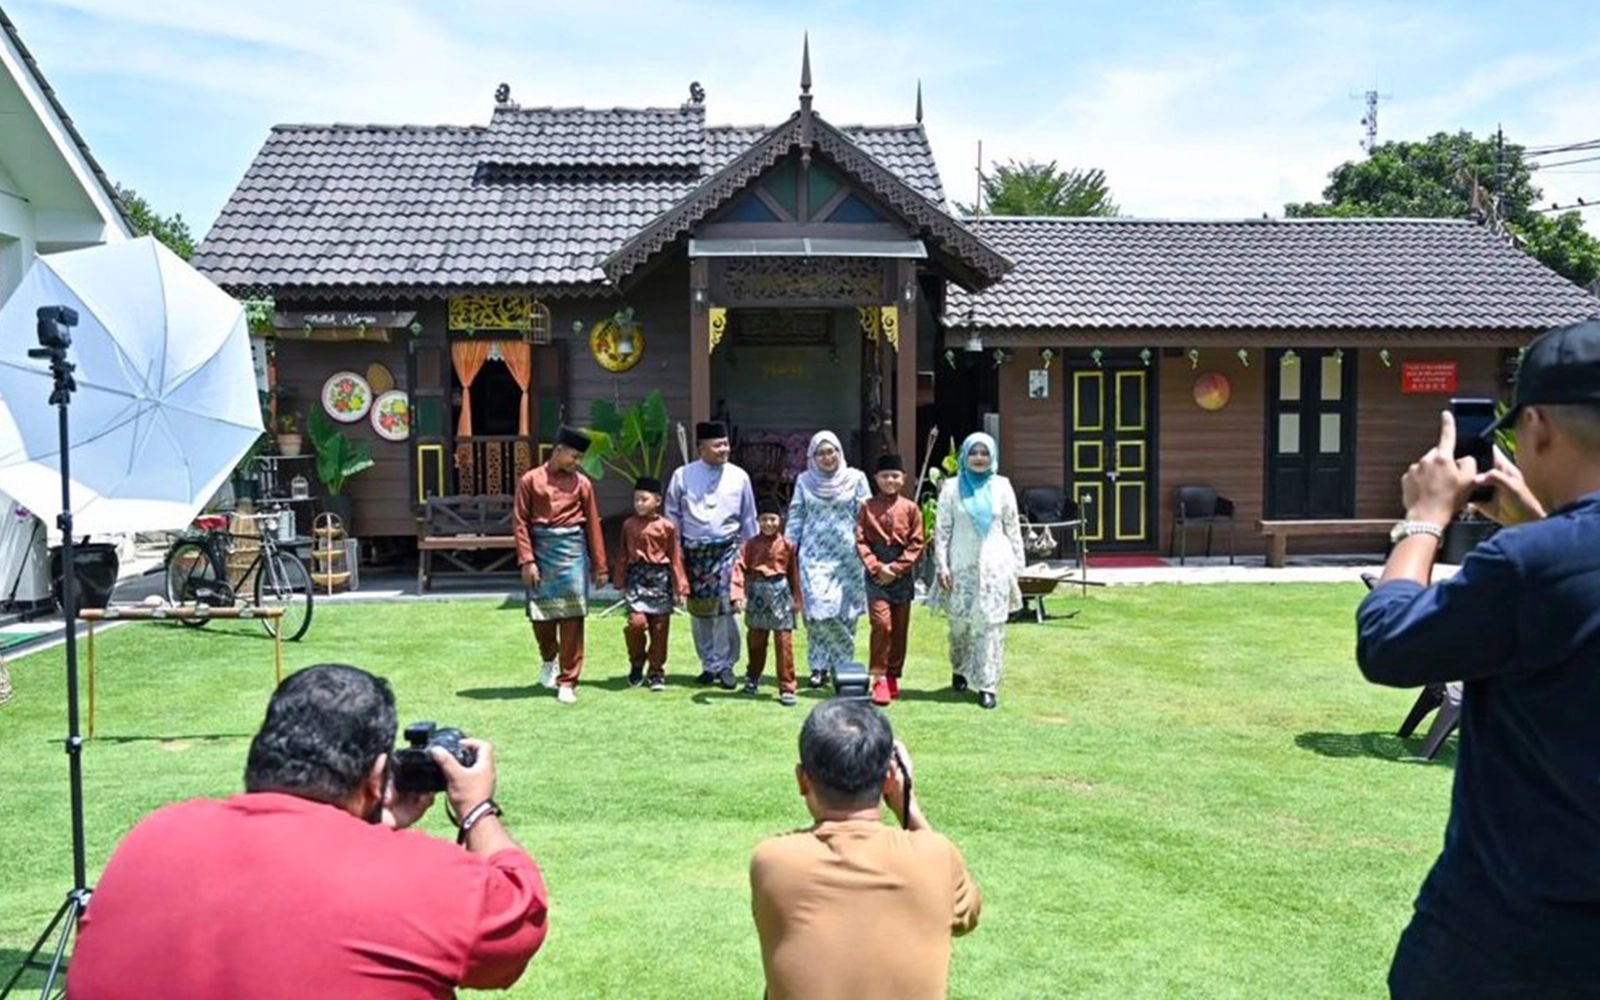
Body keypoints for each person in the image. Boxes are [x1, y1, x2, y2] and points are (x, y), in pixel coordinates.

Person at [1357, 317, 1600, 999]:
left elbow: (1389, 640)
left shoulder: (1530, 566)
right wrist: (1545, 526)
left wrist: (1423, 521)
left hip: (1511, 945)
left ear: (1540, 427)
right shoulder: (1547, 556)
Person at [68, 663, 548, 999]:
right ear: (379, 778)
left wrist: (368, 824)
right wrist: (477, 810)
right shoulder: (416, 875)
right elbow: (518, 926)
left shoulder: (153, 836)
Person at [750, 698, 981, 1000]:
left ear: (802, 779)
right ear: (889, 778)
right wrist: (906, 803)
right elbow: (967, 916)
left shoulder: (773, 861)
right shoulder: (935, 855)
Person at [515, 425, 608, 705]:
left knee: (573, 618)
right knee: (541, 617)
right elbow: (520, 522)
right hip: (541, 552)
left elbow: (593, 524)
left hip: (573, 552)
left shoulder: (583, 484)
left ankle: (568, 680)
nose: (577, 463)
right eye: (574, 456)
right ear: (559, 450)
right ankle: (548, 658)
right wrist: (527, 560)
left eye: (580, 458)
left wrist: (601, 566)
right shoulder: (530, 480)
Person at [665, 420, 758, 690]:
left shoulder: (739, 476)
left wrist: (748, 556)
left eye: (726, 443)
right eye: (717, 445)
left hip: (728, 549)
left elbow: (749, 518)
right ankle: (708, 664)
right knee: (701, 612)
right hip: (695, 552)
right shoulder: (682, 476)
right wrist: (676, 554)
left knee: (727, 611)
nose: (724, 449)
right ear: (701, 448)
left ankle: (727, 665)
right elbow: (672, 516)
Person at [934, 432, 1024, 710]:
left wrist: (1018, 568)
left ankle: (987, 684)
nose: (979, 458)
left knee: (991, 626)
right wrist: (942, 565)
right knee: (960, 625)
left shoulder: (1002, 486)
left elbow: (1012, 527)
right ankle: (960, 669)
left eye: (985, 453)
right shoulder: (951, 487)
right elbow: (942, 529)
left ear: (993, 456)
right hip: (961, 565)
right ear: (964, 456)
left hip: (995, 566)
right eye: (974, 452)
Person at [787, 431, 871, 689]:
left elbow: (866, 515)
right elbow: (797, 514)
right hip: (814, 557)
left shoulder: (856, 478)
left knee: (845, 614)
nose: (827, 457)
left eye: (831, 451)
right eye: (821, 453)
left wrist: (872, 548)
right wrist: (786, 546)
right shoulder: (804, 480)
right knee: (817, 613)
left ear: (839, 452)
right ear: (813, 456)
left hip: (848, 557)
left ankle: (843, 666)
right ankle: (818, 666)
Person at [857, 453, 926, 705]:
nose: (890, 480)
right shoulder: (867, 507)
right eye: (885, 476)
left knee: (899, 628)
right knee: (882, 625)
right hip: (876, 573)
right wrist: (877, 567)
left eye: (895, 476)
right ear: (876, 479)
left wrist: (895, 569)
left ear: (903, 479)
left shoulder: (911, 508)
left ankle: (893, 674)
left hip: (902, 572)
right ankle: (878, 678)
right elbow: (861, 540)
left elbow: (917, 543)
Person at [614, 475, 688, 692]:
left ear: (657, 500)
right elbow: (623, 554)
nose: (639, 504)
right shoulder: (628, 525)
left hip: (661, 580)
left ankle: (656, 671)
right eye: (636, 500)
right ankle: (637, 662)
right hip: (637, 579)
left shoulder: (667, 527)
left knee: (660, 629)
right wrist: (620, 581)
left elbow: (675, 557)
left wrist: (680, 587)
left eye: (643, 499)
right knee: (636, 624)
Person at [732, 496, 805, 706]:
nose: (768, 524)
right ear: (758, 521)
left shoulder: (788, 545)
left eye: (772, 519)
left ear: (780, 520)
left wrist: (797, 600)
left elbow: (794, 574)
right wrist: (738, 594)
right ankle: (753, 678)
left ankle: (787, 686)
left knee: (784, 642)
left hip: (781, 594)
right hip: (757, 594)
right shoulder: (750, 545)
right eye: (763, 519)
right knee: (756, 641)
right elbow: (739, 569)